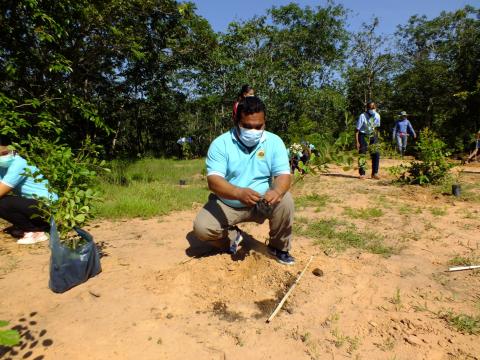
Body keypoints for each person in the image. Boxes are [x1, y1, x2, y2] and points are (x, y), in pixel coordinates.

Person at [193, 96, 295, 265]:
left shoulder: (274, 142)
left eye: (258, 126)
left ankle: (279, 248)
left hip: (262, 202)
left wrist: (276, 191)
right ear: (236, 121)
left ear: (265, 122)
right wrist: (238, 192)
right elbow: (213, 181)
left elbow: (283, 176)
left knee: (286, 200)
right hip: (228, 203)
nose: (253, 131)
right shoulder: (221, 144)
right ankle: (232, 240)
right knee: (202, 228)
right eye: (247, 126)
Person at [0, 135, 57, 244]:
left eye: (5, 153)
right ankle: (38, 226)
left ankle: (36, 232)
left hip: (49, 208)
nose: (3, 156)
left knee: (2, 202)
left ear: (13, 150)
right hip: (35, 206)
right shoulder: (2, 167)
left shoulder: (19, 164)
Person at [355, 101, 381, 180]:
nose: (372, 109)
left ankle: (374, 173)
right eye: (370, 108)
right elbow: (356, 130)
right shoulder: (362, 116)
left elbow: (376, 128)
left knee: (376, 153)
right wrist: (357, 142)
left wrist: (376, 139)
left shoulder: (377, 116)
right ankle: (362, 173)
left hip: (372, 135)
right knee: (362, 153)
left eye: (373, 107)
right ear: (367, 108)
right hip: (363, 135)